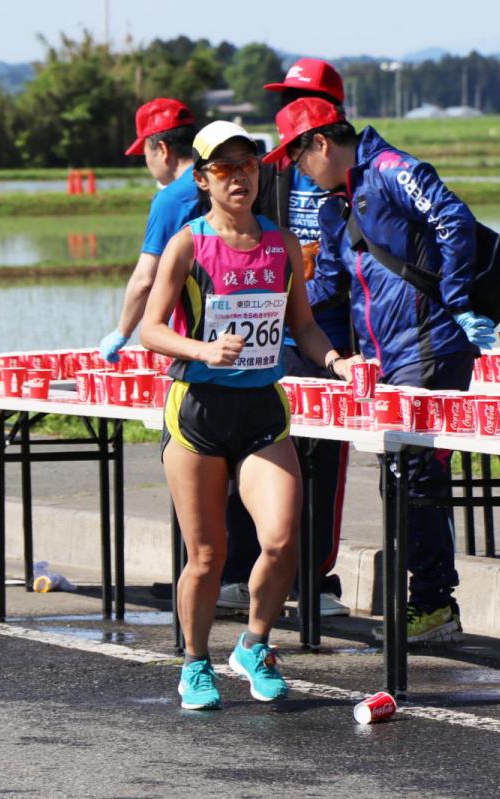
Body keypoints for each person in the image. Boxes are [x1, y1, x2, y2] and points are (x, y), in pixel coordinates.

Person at [265, 98, 496, 643]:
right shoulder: (337, 205)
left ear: (321, 142)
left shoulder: (391, 170)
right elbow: (329, 286)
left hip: (430, 345)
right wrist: (270, 311)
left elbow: (453, 217)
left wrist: (459, 300)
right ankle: (428, 601)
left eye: (298, 158)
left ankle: (436, 603)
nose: (297, 171)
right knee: (400, 478)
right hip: (384, 358)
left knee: (418, 475)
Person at [139, 120, 352, 710]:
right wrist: (203, 349)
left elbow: (303, 326)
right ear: (204, 179)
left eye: (249, 166)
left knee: (283, 538)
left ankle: (254, 645)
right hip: (199, 412)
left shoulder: (281, 244)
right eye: (225, 169)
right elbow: (152, 330)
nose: (240, 177)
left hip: (261, 408)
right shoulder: (188, 242)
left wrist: (337, 360)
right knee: (206, 557)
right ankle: (194, 662)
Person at [217, 58, 354, 618]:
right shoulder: (271, 172)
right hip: (272, 337)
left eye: (299, 99)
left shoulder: (352, 175)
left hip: (334, 336)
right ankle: (241, 570)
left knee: (323, 463)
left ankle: (315, 580)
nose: (285, 114)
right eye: (284, 100)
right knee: (256, 453)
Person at [99, 98, 201, 364]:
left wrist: (121, 332)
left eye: (145, 153)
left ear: (163, 150)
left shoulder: (171, 199)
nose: (147, 163)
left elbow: (145, 279)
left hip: (194, 335)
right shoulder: (229, 181)